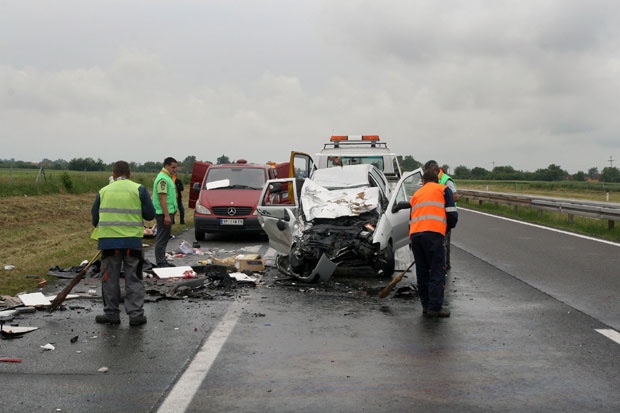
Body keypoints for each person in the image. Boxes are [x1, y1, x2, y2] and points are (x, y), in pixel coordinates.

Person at [91, 160, 155, 326]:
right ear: (130, 173)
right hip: (132, 242)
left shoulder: (103, 191)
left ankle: (111, 314)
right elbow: (149, 215)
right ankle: (135, 315)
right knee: (133, 278)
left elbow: (95, 219)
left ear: (113, 174)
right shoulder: (138, 189)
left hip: (109, 243)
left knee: (109, 279)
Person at [409, 166, 458, 318]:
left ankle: (426, 305)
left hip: (416, 236)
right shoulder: (443, 190)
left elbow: (412, 217)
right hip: (434, 235)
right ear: (437, 180)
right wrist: (444, 228)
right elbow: (452, 215)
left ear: (423, 181)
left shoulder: (416, 194)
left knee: (422, 271)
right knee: (437, 270)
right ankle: (435, 307)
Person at [424, 160, 459, 270]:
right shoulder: (432, 179)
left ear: (435, 170)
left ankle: (445, 265)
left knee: (444, 242)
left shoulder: (446, 180)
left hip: (445, 215)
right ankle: (436, 264)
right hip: (434, 215)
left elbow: (455, 196)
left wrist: (441, 199)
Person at [153, 157, 178, 267]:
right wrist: (167, 215)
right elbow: (162, 198)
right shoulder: (163, 179)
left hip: (168, 212)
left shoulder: (168, 178)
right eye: (173, 167)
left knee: (164, 237)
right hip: (163, 213)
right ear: (166, 166)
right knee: (162, 238)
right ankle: (160, 262)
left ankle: (162, 260)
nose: (174, 169)